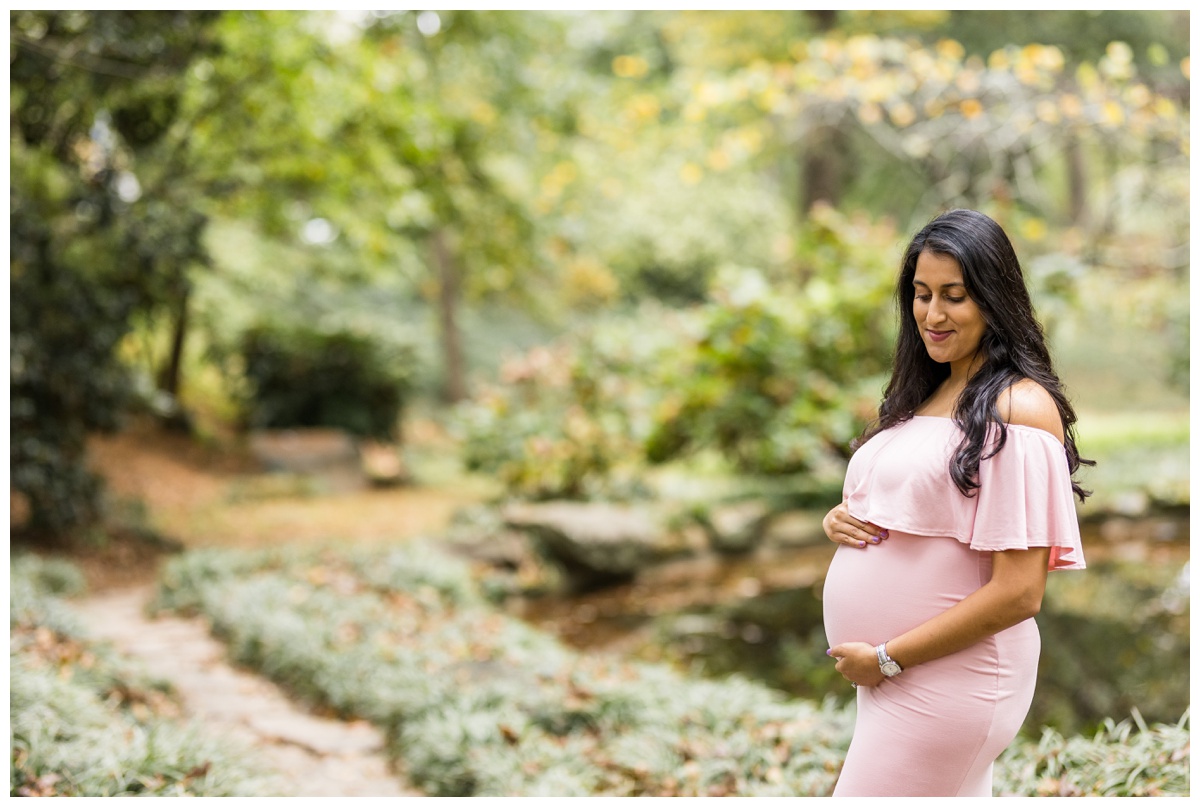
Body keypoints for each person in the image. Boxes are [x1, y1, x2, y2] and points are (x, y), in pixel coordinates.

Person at [820, 208, 1090, 797]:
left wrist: (888, 657)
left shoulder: (1018, 407)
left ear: (993, 299)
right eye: (921, 295)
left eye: (954, 296)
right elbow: (915, 501)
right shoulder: (931, 389)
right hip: (900, 674)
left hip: (952, 673)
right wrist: (839, 519)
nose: (932, 314)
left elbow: (1020, 591)